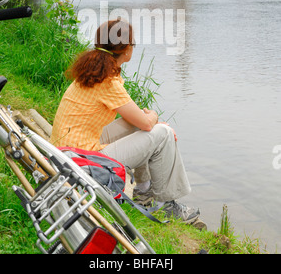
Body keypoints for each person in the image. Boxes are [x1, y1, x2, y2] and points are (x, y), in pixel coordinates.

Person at [50, 18, 200, 224]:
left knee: (138, 124)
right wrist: (155, 120)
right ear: (127, 49)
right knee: (161, 133)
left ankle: (145, 191)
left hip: (67, 150)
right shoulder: (108, 81)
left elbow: (137, 120)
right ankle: (167, 206)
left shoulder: (94, 71)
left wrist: (150, 123)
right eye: (133, 44)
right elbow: (147, 124)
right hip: (81, 162)